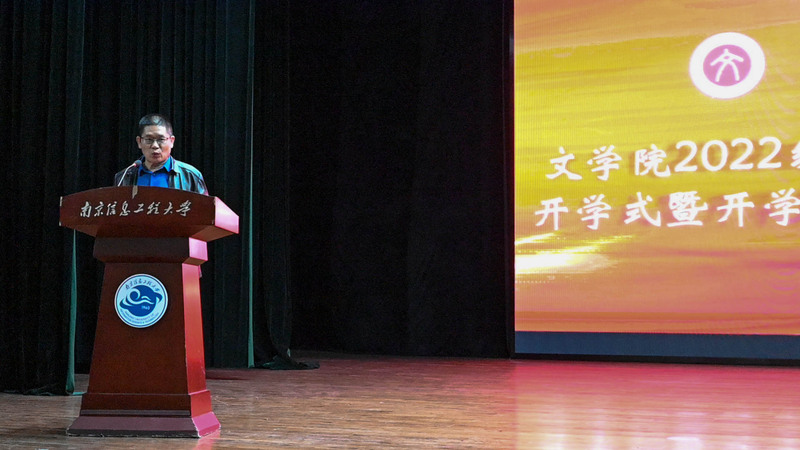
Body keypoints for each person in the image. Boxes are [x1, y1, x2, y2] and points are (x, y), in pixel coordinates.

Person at [114, 113, 208, 195]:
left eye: (161, 139)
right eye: (149, 139)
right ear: (139, 142)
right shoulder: (124, 177)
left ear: (172, 141)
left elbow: (205, 208)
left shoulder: (190, 175)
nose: (155, 146)